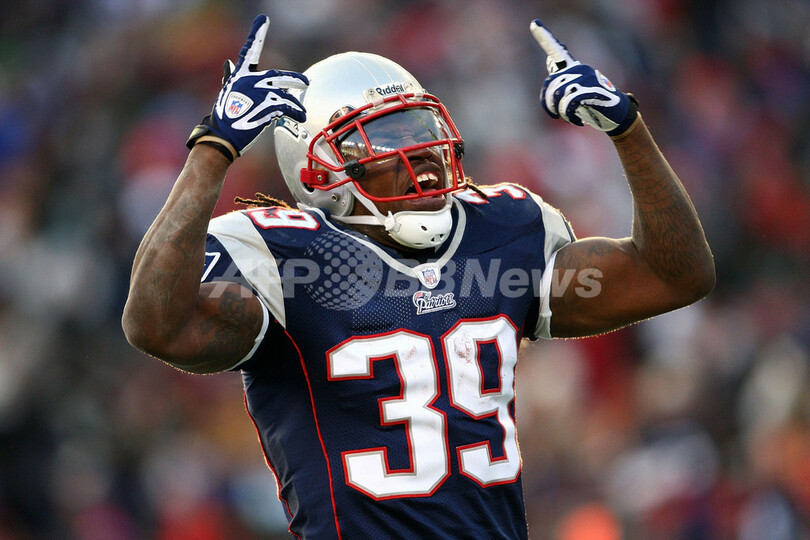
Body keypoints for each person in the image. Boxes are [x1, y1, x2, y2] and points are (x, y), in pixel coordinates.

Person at [122, 14, 714, 539]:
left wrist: (627, 130)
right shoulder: (285, 258)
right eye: (385, 137)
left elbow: (675, 276)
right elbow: (155, 325)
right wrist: (213, 149)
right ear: (318, 170)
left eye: (421, 129)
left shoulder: (501, 231)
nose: (421, 152)